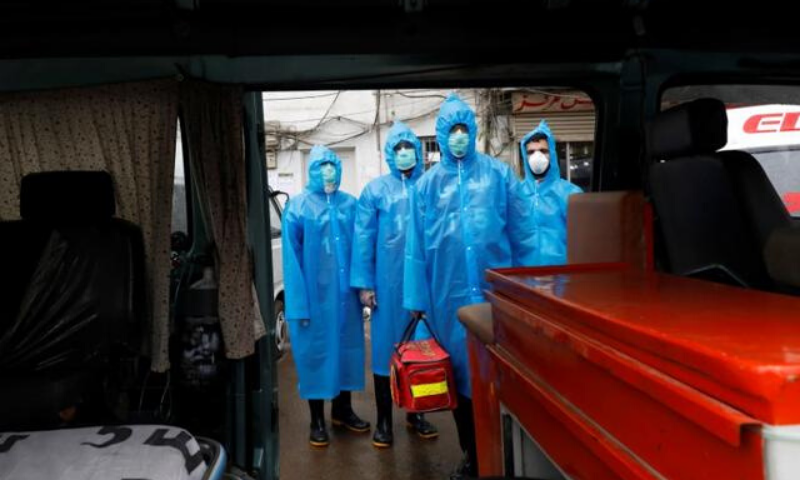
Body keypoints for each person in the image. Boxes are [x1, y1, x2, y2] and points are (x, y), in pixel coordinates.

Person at [403, 94, 538, 478]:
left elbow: (523, 235)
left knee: (501, 376)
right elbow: (415, 249)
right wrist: (417, 300)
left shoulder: (499, 176)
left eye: (465, 128)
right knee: (459, 379)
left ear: (473, 131)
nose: (459, 135)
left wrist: (532, 289)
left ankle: (507, 452)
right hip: (449, 299)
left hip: (498, 295)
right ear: (442, 135)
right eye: (452, 129)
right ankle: (472, 453)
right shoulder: (426, 187)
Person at [351, 122, 438, 449]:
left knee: (422, 352)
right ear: (390, 153)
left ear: (418, 151)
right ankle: (385, 421)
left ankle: (419, 414)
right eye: (397, 148)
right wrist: (365, 285)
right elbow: (363, 239)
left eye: (409, 147)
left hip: (423, 287)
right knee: (384, 355)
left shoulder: (430, 186)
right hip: (387, 288)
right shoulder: (375, 191)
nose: (404, 153)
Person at [282, 145, 370, 448]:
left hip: (345, 296)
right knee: (315, 355)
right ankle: (317, 419)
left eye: (333, 164)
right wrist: (297, 304)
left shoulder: (351, 205)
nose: (328, 170)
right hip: (314, 298)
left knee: (347, 351)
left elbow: (361, 248)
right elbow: (291, 261)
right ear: (312, 170)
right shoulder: (298, 207)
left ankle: (343, 411)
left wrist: (364, 287)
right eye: (322, 165)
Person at [520, 120, 583, 266]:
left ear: (552, 154)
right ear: (524, 157)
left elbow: (583, 242)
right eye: (530, 152)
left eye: (543, 151)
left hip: (562, 277)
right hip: (523, 278)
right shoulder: (516, 194)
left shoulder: (572, 194)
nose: (537, 156)